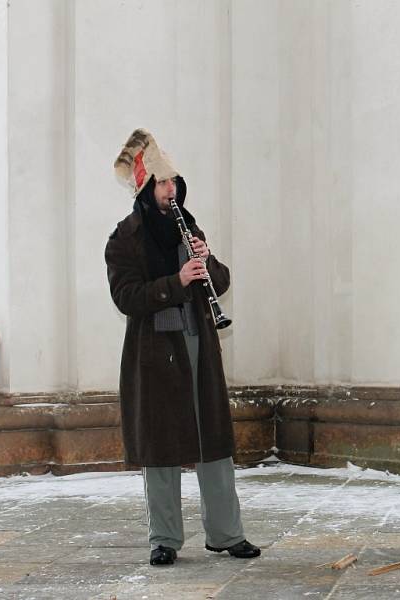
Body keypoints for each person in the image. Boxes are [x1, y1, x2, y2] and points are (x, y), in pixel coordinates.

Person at [105, 129, 260, 566]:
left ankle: (227, 534)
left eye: (174, 182)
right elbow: (127, 297)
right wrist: (178, 282)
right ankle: (165, 539)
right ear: (145, 188)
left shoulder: (187, 225)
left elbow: (221, 281)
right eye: (163, 183)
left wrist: (207, 260)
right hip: (154, 354)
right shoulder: (124, 239)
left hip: (198, 346)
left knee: (214, 443)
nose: (172, 190)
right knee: (161, 449)